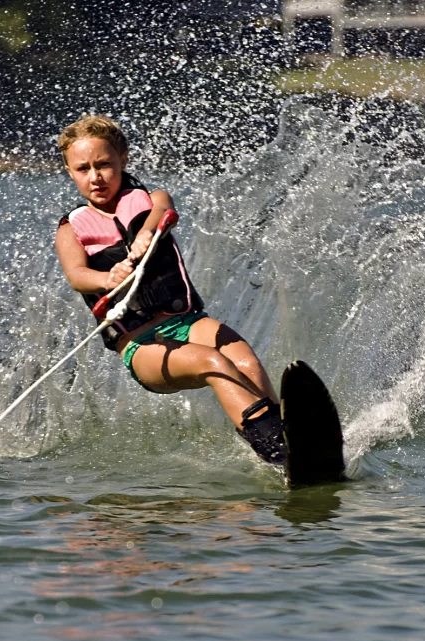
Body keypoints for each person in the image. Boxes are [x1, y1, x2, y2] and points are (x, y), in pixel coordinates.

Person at [54, 115, 287, 464]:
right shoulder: (71, 230)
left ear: (123, 160)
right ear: (70, 172)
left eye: (104, 164)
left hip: (188, 322)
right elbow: (77, 275)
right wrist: (107, 279)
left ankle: (280, 436)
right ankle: (279, 454)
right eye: (83, 169)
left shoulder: (150, 199)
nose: (95, 177)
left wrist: (148, 231)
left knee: (245, 361)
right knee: (214, 361)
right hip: (141, 344)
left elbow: (161, 209)